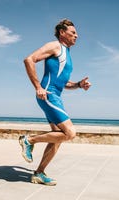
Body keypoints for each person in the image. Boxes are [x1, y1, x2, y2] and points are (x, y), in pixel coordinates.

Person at [19, 19, 91, 186]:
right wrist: (38, 87)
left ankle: (39, 173)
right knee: (70, 133)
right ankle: (28, 140)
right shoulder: (55, 46)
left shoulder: (67, 54)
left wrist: (79, 85)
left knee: (57, 139)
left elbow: (64, 83)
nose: (76, 35)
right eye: (73, 32)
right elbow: (29, 60)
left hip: (56, 97)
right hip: (48, 95)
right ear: (62, 33)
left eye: (76, 33)